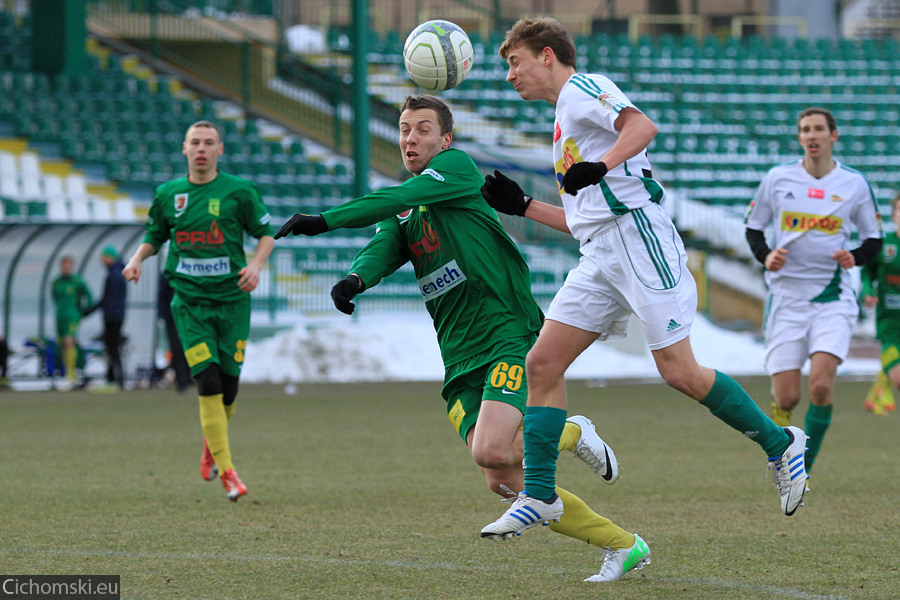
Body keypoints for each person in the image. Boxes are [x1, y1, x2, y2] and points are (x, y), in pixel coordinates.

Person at [275, 94, 650, 583]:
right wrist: (356, 279)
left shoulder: (454, 168)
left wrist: (322, 221)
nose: (411, 138)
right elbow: (387, 241)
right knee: (503, 477)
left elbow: (392, 200)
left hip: (504, 330)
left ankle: (572, 431)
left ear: (445, 139)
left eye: (422, 129)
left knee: (491, 450)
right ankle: (625, 545)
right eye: (405, 129)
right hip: (458, 352)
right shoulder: (409, 206)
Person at [474, 17, 809, 536]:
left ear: (546, 55)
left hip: (639, 238)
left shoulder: (584, 87)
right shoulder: (564, 119)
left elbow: (641, 126)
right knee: (541, 364)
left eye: (514, 62)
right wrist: (523, 205)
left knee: (679, 372)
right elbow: (583, 217)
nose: (510, 75)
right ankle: (540, 495)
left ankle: (781, 444)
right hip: (601, 251)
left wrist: (604, 164)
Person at [123, 120, 274, 502]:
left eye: (209, 142)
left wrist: (255, 265)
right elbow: (155, 235)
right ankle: (228, 472)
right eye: (195, 142)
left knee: (229, 388)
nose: (202, 148)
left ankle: (212, 446)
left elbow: (266, 235)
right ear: (184, 149)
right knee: (206, 382)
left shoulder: (240, 192)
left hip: (233, 301)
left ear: (220, 150)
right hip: (189, 302)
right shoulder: (168, 194)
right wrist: (136, 259)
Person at [745, 107, 883, 474]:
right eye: (805, 129)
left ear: (833, 136)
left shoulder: (854, 184)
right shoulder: (777, 178)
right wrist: (766, 255)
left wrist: (854, 256)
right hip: (786, 298)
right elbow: (754, 227)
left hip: (832, 297)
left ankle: (802, 468)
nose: (812, 135)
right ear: (799, 137)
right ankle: (780, 456)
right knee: (787, 396)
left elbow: (874, 237)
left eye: (819, 129)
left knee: (821, 386)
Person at [860, 191, 900, 416]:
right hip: (890, 324)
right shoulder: (884, 246)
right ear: (893, 215)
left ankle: (876, 392)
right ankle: (882, 388)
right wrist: (867, 292)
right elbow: (867, 273)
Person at [84, 245, 127, 389]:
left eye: (104, 258)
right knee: (113, 348)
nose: (102, 261)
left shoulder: (114, 275)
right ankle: (114, 378)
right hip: (117, 316)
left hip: (112, 318)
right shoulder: (119, 272)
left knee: (112, 348)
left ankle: (117, 379)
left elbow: (108, 299)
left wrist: (89, 312)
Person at [52, 255, 92, 388]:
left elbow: (89, 298)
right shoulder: (56, 282)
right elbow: (55, 298)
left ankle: (71, 375)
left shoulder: (78, 282)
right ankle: (66, 374)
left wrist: (82, 313)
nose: (66, 268)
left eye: (69, 265)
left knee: (70, 341)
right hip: (60, 317)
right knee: (63, 344)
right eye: (64, 265)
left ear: (72, 266)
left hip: (72, 316)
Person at [158, 273, 192, 393]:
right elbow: (162, 296)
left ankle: (188, 378)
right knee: (177, 349)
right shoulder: (168, 275)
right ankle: (182, 380)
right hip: (173, 317)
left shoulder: (189, 271)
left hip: (188, 316)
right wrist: (163, 316)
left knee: (189, 347)